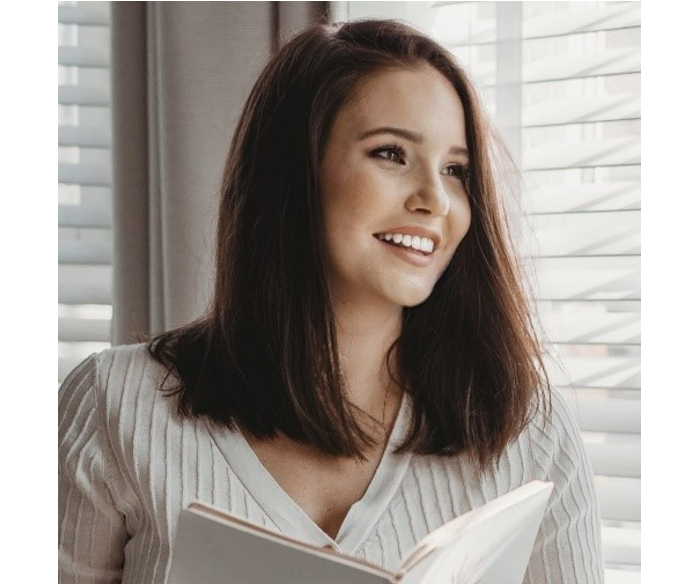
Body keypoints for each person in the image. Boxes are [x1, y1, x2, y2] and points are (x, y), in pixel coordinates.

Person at [58, 19, 604, 584]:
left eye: (456, 170)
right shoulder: (114, 406)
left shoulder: (529, 432)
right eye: (391, 153)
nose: (435, 201)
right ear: (294, 173)